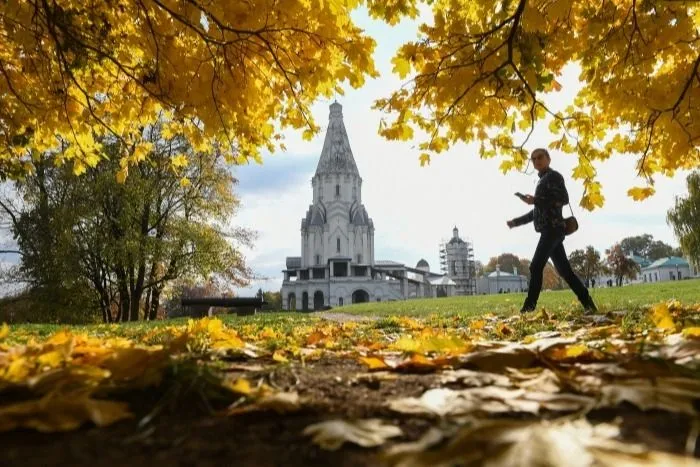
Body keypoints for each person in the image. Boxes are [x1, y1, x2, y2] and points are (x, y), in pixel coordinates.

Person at [507, 148, 597, 313]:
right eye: (533, 159)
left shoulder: (553, 176)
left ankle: (528, 307)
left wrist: (536, 200)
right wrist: (516, 222)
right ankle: (589, 304)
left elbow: (563, 198)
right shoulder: (541, 181)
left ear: (548, 159)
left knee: (535, 267)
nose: (536, 161)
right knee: (565, 272)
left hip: (553, 229)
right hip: (549, 231)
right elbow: (537, 212)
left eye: (540, 157)